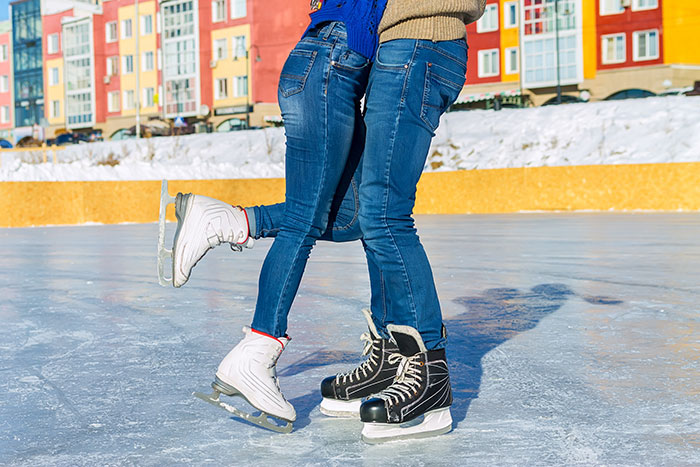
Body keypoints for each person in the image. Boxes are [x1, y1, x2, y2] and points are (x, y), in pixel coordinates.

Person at [171, 0, 486, 443]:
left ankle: (427, 374)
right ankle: (391, 356)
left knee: (375, 216)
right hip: (374, 48)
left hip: (411, 42)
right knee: (362, 214)